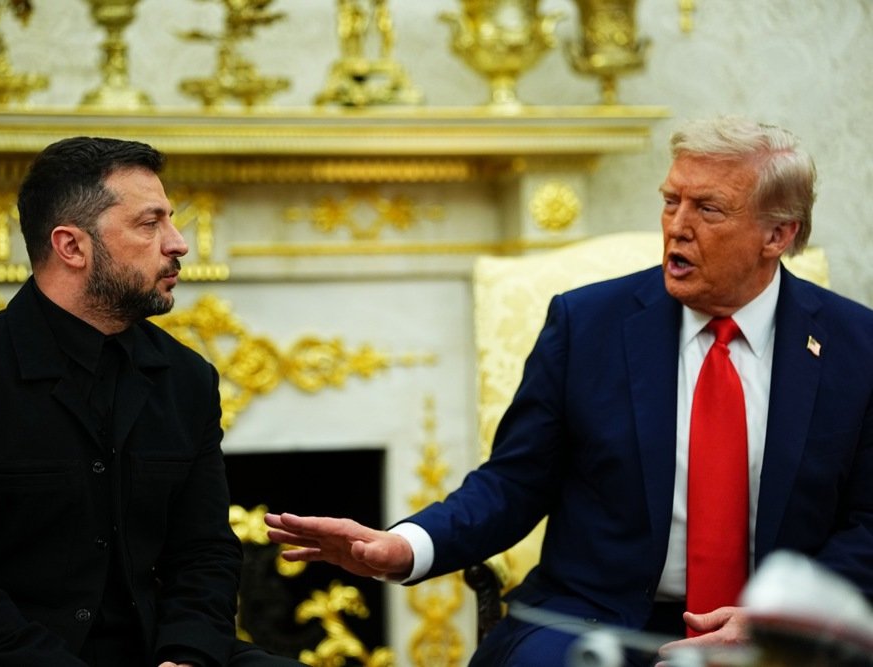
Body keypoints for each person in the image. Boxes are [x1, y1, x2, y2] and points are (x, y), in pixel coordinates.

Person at [265, 117, 873, 666]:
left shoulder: (856, 346)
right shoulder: (590, 325)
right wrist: (404, 546)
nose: (677, 228)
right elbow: (514, 481)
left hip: (778, 632)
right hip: (597, 613)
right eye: (670, 201)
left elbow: (868, 522)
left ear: (778, 235)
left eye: (709, 210)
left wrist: (781, 619)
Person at [0, 137, 302, 667]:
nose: (178, 244)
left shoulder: (188, 379)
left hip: (156, 650)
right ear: (72, 247)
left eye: (171, 221)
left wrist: (187, 657)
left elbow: (205, 553)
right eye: (150, 224)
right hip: (6, 656)